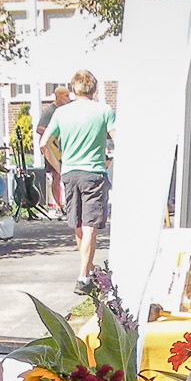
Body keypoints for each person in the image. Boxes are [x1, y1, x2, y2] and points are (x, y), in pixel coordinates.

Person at [43, 70, 114, 294]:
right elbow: (119, 140)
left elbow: (44, 143)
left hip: (70, 173)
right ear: (94, 89)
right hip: (93, 172)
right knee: (90, 224)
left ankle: (88, 270)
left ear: (73, 90)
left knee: (78, 223)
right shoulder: (104, 111)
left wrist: (59, 166)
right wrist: (109, 162)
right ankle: (83, 277)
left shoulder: (61, 113)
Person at [37, 85, 70, 211]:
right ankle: (57, 204)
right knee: (57, 175)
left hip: (64, 147)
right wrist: (54, 134)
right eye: (66, 96)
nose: (69, 98)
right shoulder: (50, 111)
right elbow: (39, 128)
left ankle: (66, 202)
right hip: (53, 148)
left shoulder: (66, 109)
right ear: (58, 96)